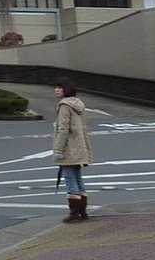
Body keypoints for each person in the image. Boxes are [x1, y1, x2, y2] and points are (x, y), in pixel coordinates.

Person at [52, 77, 93, 222]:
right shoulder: (77, 104)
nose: (56, 90)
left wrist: (58, 149)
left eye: (59, 87)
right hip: (79, 147)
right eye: (56, 87)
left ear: (66, 89)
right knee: (77, 177)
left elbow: (63, 129)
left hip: (69, 148)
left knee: (70, 178)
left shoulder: (64, 106)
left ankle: (74, 211)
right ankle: (83, 211)